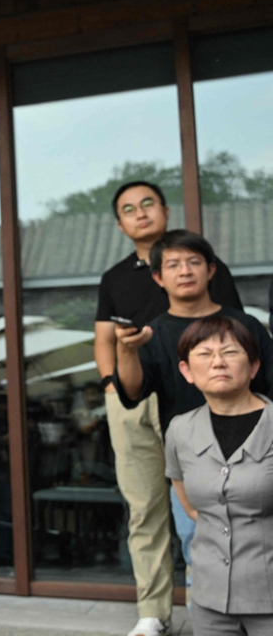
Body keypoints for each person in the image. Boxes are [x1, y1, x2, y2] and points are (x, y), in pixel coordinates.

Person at [94, 182, 243, 636]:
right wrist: (110, 386)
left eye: (147, 204)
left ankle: (220, 606)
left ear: (163, 209)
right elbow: (103, 339)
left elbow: (233, 333)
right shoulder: (115, 277)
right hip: (133, 395)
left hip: (197, 399)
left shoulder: (197, 262)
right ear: (119, 224)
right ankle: (153, 611)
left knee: (211, 504)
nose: (140, 213)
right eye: (128, 209)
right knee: (145, 507)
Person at [115, 230, 272, 633]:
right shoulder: (154, 332)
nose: (184, 271)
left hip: (256, 457)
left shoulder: (246, 325)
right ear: (158, 277)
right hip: (195, 463)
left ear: (211, 270)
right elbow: (133, 393)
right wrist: (128, 351)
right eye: (173, 264)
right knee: (199, 550)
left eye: (193, 262)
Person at [164, 315, 273, 635]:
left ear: (253, 366)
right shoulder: (180, 429)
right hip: (209, 600)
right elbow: (190, 505)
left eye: (229, 352)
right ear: (187, 370)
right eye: (204, 354)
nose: (217, 363)